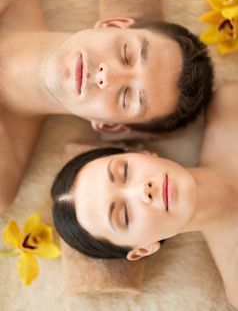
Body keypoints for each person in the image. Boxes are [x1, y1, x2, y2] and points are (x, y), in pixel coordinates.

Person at [0, 0, 213, 212]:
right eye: (126, 54)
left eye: (127, 97)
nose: (107, 76)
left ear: (108, 125)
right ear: (113, 24)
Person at [51, 83, 238, 308]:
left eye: (125, 172)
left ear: (141, 153)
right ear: (143, 248)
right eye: (125, 216)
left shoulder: (230, 106)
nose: (143, 190)